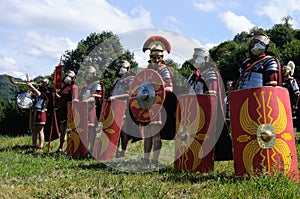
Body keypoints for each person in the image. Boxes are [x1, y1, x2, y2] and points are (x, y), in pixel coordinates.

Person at [191, 47, 233, 161]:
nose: (196, 60)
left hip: (206, 110)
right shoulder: (193, 75)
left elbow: (211, 94)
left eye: (199, 58)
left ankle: (211, 156)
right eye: (195, 58)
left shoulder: (210, 72)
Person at [141, 36, 174, 168]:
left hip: (159, 106)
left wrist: (155, 92)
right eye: (154, 57)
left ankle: (154, 161)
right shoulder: (147, 71)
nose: (156, 59)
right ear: (150, 57)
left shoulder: (164, 70)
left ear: (162, 58)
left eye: (158, 57)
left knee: (155, 135)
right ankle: (145, 159)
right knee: (147, 135)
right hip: (147, 105)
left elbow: (169, 87)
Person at [108, 60, 139, 158]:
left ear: (128, 68)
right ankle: (114, 150)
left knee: (123, 129)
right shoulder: (116, 80)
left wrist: (115, 98)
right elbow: (112, 92)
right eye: (119, 67)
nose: (121, 69)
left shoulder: (131, 79)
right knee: (114, 128)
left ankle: (123, 151)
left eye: (123, 67)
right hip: (114, 105)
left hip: (124, 105)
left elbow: (129, 93)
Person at [80, 66, 104, 153]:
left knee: (91, 128)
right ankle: (85, 148)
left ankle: (92, 148)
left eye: (88, 73)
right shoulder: (86, 85)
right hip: (84, 108)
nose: (86, 75)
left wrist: (86, 101)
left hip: (92, 108)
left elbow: (96, 97)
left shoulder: (96, 84)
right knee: (85, 128)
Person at [56, 70, 79, 153]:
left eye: (69, 76)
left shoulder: (74, 87)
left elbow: (75, 100)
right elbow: (61, 97)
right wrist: (55, 94)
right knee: (62, 130)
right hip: (63, 110)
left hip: (70, 111)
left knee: (69, 130)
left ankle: (68, 148)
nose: (67, 77)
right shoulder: (64, 87)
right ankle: (60, 147)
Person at [27, 78, 51, 152]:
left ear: (46, 84)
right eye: (41, 82)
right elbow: (28, 96)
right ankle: (34, 145)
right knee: (34, 129)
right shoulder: (37, 90)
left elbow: (40, 95)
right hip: (35, 111)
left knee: (40, 129)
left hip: (42, 111)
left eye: (43, 82)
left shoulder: (47, 92)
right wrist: (29, 89)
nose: (41, 84)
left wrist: (32, 87)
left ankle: (41, 146)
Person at [282, 61, 300, 131]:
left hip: (291, 104)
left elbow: (297, 94)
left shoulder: (292, 81)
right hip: (283, 104)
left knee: (291, 123)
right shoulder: (282, 81)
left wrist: (295, 105)